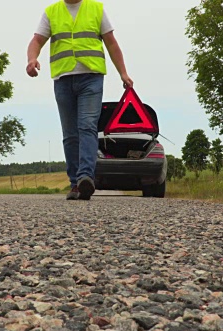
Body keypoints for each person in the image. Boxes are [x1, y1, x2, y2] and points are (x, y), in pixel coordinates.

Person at [26, 0, 133, 200]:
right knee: (70, 133)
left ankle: (85, 177)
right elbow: (36, 41)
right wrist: (32, 59)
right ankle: (76, 184)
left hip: (91, 78)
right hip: (63, 79)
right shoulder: (52, 12)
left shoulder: (96, 9)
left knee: (87, 126)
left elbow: (111, 42)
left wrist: (123, 73)